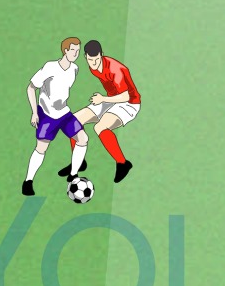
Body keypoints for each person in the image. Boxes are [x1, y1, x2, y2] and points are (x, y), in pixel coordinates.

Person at [57, 39, 140, 184]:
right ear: (86, 57)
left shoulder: (115, 69)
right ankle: (79, 161)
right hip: (110, 100)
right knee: (73, 122)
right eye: (90, 60)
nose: (93, 63)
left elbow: (126, 96)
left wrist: (102, 99)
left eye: (96, 59)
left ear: (102, 54)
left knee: (100, 127)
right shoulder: (93, 67)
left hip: (129, 103)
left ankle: (123, 163)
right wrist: (105, 100)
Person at [23, 37, 89, 195]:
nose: (76, 54)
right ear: (65, 50)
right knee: (41, 148)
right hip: (47, 115)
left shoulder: (75, 69)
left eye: (78, 51)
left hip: (64, 113)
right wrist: (34, 112)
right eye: (73, 50)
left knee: (83, 139)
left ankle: (73, 175)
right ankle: (28, 181)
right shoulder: (50, 67)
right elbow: (31, 88)